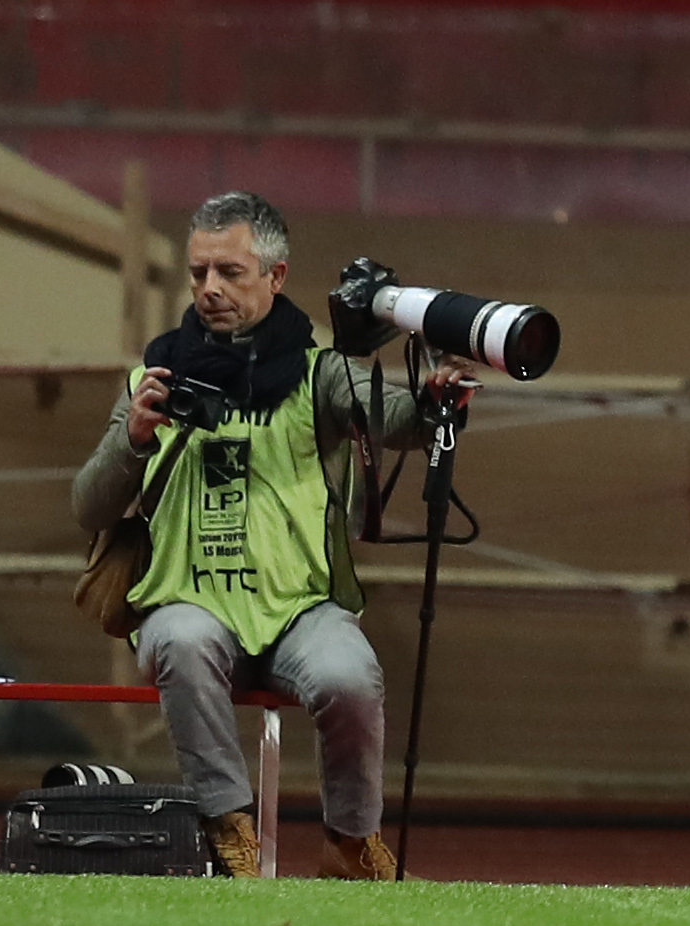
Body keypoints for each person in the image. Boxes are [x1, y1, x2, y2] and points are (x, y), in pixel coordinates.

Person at [72, 190, 449, 881]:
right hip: (186, 602)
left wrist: (436, 402)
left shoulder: (319, 375)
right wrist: (133, 438)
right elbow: (90, 507)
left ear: (276, 276)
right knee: (181, 643)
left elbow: (398, 421)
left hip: (297, 609)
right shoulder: (154, 375)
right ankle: (228, 824)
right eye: (198, 273)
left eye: (230, 272)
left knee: (350, 676)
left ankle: (349, 841)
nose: (209, 289)